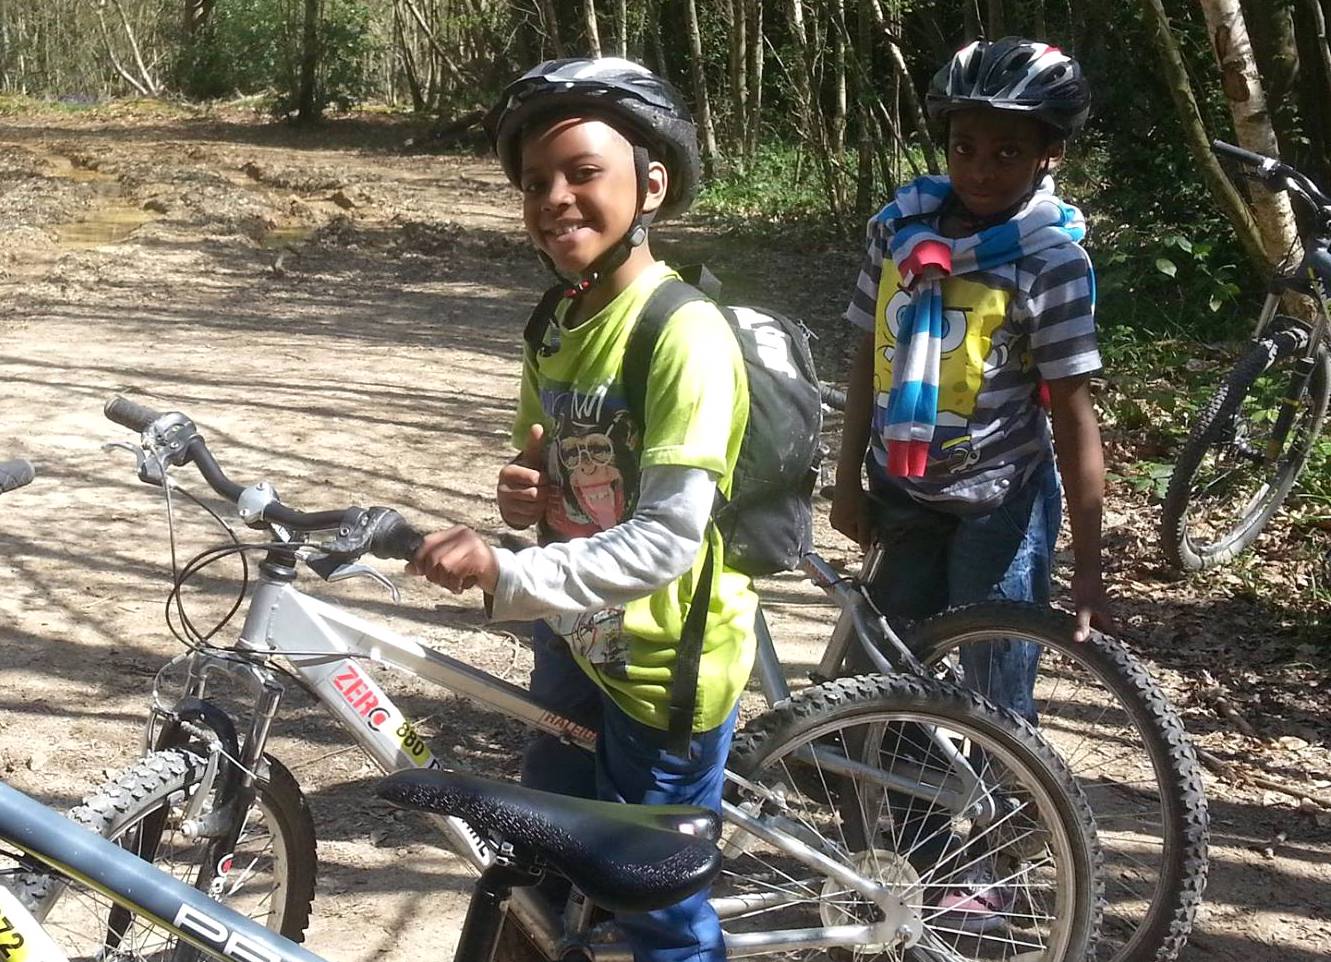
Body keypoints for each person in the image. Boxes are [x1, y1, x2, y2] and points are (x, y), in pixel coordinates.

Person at [406, 57, 753, 962]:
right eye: (533, 183)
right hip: (573, 644)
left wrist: (510, 572)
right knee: (541, 860)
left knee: (657, 915)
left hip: (657, 671)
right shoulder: (555, 321)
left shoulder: (683, 334)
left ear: (650, 182)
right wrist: (525, 497)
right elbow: (555, 483)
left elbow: (671, 535)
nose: (554, 198)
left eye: (581, 172)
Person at [829, 37, 1115, 925]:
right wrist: (844, 479)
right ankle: (909, 848)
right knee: (893, 673)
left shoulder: (1050, 261)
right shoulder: (895, 229)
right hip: (904, 495)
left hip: (1000, 500)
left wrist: (1090, 562)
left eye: (1008, 151)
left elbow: (1070, 410)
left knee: (995, 688)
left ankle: (1005, 863)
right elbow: (864, 364)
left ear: (1048, 154)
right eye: (964, 147)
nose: (981, 168)